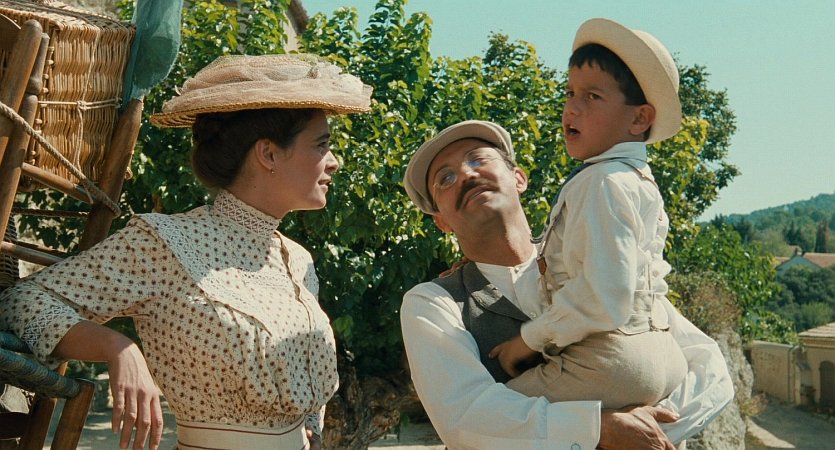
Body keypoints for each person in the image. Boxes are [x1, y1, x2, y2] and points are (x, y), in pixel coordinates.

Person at [0, 54, 372, 450]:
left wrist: (310, 429)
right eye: (321, 145)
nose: (334, 162)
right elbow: (21, 302)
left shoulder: (298, 261)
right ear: (268, 154)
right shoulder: (165, 242)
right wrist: (118, 347)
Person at [401, 118, 733, 449]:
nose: (466, 175)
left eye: (478, 159)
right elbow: (464, 417)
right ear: (441, 221)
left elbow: (709, 367)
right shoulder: (432, 303)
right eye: (445, 178)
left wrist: (652, 429)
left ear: (519, 179)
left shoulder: (594, 259)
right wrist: (599, 430)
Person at [478, 17, 691, 410]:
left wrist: (527, 340)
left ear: (639, 118)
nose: (571, 108)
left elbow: (604, 296)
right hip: (664, 353)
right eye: (570, 93)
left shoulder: (601, 182)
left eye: (592, 96)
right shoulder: (639, 180)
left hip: (611, 358)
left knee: (490, 418)